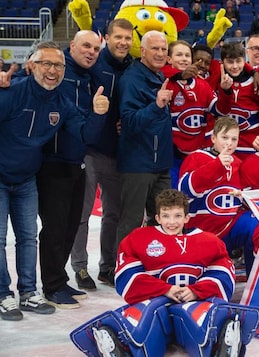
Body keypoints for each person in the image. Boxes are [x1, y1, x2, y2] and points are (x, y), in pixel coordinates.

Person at [70, 189, 259, 357]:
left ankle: (222, 343)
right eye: (166, 216)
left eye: (178, 216)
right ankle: (121, 346)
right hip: (155, 301)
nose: (172, 222)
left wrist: (196, 291)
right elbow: (126, 276)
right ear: (158, 218)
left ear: (186, 218)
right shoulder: (138, 238)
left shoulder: (209, 241)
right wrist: (165, 289)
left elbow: (223, 272)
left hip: (194, 301)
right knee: (143, 319)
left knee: (205, 317)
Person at [0, 41, 109, 321]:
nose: (52, 70)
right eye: (46, 64)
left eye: (58, 65)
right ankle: (2, 295)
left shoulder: (62, 101)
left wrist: (98, 114)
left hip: (26, 178)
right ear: (32, 65)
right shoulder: (11, 91)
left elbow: (84, 134)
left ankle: (28, 293)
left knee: (27, 239)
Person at [36, 30, 102, 309]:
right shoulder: (55, 72)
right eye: (86, 46)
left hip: (78, 161)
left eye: (97, 49)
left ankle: (59, 278)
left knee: (69, 226)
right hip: (52, 164)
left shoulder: (89, 78)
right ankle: (51, 286)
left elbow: (83, 126)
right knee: (55, 227)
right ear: (71, 46)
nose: (91, 52)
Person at [72, 19, 134, 290]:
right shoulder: (94, 61)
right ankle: (80, 267)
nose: (123, 42)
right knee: (83, 213)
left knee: (113, 214)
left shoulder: (133, 66)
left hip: (117, 151)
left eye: (127, 38)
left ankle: (108, 266)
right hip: (88, 149)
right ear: (107, 38)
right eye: (117, 37)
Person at [179, 117, 259, 274]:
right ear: (213, 138)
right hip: (200, 231)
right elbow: (185, 192)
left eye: (234, 139)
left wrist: (243, 196)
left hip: (229, 227)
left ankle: (255, 282)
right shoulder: (196, 157)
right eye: (224, 137)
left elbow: (250, 196)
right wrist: (216, 165)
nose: (229, 143)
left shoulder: (238, 163)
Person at [115, 31, 174, 250]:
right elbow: (129, 123)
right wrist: (156, 105)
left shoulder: (157, 75)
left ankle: (154, 263)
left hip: (159, 163)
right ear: (142, 51)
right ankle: (121, 267)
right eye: (155, 49)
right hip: (138, 163)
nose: (160, 53)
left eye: (163, 49)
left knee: (162, 219)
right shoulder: (132, 79)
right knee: (131, 220)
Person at [163, 40, 232, 187]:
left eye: (187, 55)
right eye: (179, 55)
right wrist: (179, 74)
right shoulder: (164, 81)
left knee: (195, 190)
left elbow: (220, 110)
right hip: (171, 152)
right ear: (169, 59)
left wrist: (226, 92)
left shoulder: (202, 84)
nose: (184, 58)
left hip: (198, 151)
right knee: (173, 193)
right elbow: (162, 69)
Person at [219, 41, 259, 159]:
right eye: (229, 62)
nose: (234, 66)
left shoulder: (256, 81)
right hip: (224, 145)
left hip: (251, 144)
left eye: (238, 61)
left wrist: (254, 72)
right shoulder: (216, 77)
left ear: (244, 61)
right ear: (222, 62)